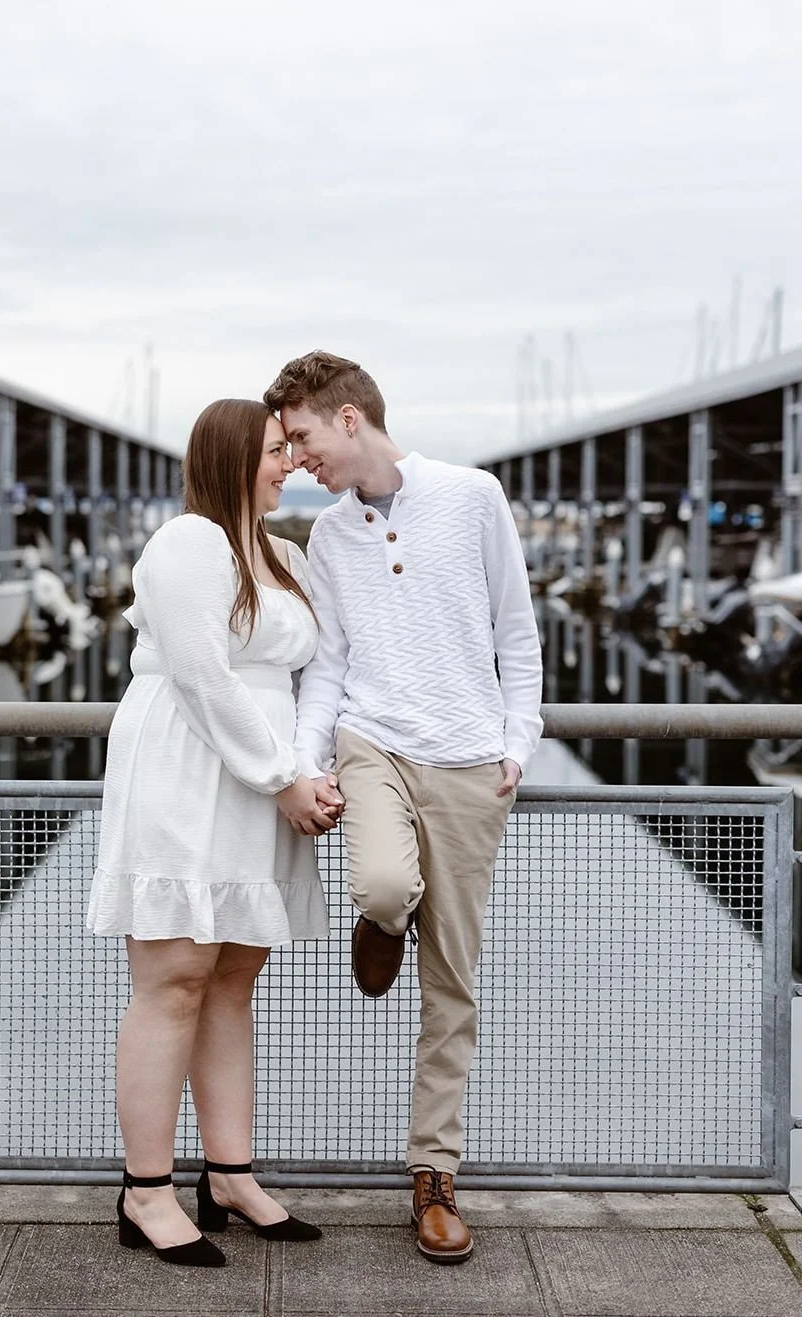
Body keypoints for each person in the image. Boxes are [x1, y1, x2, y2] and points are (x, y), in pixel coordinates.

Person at [264, 352, 543, 1265]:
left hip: (469, 761)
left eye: (302, 436)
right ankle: (386, 913)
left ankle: (432, 1176)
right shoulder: (326, 539)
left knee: (450, 985)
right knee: (383, 885)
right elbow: (330, 664)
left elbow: (515, 627)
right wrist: (308, 764)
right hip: (372, 742)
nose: (298, 458)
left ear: (350, 420)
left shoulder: (473, 495)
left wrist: (518, 740)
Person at [87, 398, 343, 1268]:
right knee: (174, 974)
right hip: (189, 768)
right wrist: (282, 778)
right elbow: (201, 672)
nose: (288, 464)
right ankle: (145, 1189)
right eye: (275, 450)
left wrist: (303, 767)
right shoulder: (187, 542)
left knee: (233, 972)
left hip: (260, 776)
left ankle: (229, 1173)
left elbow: (315, 671)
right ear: (234, 455)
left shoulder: (283, 553)